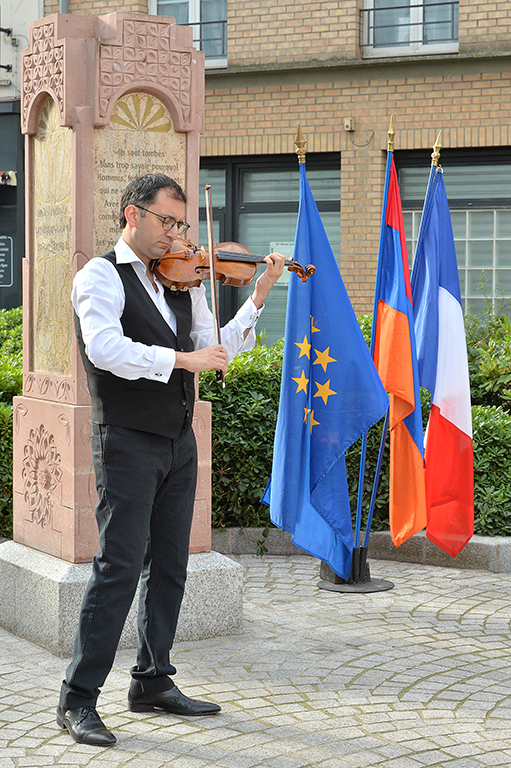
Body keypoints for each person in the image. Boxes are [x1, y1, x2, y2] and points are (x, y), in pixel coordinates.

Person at [57, 173, 286, 747]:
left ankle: (152, 680)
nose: (177, 235)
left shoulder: (185, 282)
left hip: (179, 441)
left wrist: (259, 295)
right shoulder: (99, 276)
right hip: (126, 438)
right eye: (167, 221)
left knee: (171, 565)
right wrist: (182, 362)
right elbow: (104, 349)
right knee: (117, 567)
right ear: (133, 215)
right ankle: (78, 698)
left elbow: (216, 348)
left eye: (181, 224)